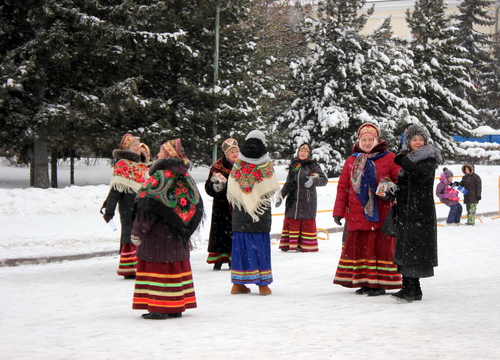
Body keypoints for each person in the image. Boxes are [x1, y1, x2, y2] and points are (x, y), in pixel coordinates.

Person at [131, 139, 204, 320]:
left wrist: (138, 231)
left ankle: (159, 306)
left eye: (161, 152)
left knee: (159, 266)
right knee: (174, 267)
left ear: (168, 155)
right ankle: (175, 305)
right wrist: (185, 228)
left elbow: (148, 206)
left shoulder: (161, 176)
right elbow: (195, 204)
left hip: (158, 234)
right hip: (178, 234)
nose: (157, 155)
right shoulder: (186, 177)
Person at [332, 123, 402, 296]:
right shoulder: (351, 160)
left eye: (371, 139)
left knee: (380, 247)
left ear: (377, 140)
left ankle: (379, 283)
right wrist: (338, 211)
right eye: (364, 139)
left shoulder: (389, 157)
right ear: (359, 140)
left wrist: (390, 188)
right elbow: (343, 188)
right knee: (361, 247)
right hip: (357, 213)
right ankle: (364, 281)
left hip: (382, 211)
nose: (368, 142)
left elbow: (400, 179)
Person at [392, 125, 442, 302]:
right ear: (408, 142)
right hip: (408, 210)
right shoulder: (409, 157)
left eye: (420, 139)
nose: (418, 142)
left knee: (414, 249)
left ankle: (413, 288)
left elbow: (422, 177)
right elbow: (409, 183)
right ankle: (408, 287)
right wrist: (394, 190)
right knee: (407, 249)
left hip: (420, 211)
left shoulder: (428, 157)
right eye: (414, 139)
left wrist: (403, 162)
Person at [227, 130, 280, 296]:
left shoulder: (239, 163)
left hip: (241, 213)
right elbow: (270, 188)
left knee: (240, 247)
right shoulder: (266, 163)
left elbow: (233, 187)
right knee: (259, 247)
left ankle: (238, 284)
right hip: (260, 214)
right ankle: (263, 284)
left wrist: (245, 197)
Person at [101, 133, 149, 279]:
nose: (138, 148)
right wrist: (109, 209)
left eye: (138, 145)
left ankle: (141, 264)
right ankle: (129, 267)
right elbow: (115, 190)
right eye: (134, 145)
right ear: (128, 148)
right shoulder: (122, 165)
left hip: (141, 205)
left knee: (141, 232)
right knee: (129, 232)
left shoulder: (140, 166)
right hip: (128, 205)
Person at [277, 143, 328, 252]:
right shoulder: (294, 165)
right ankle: (290, 245)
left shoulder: (313, 165)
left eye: (305, 151)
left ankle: (305, 245)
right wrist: (281, 196)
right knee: (292, 219)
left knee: (305, 221)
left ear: (309, 153)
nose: (303, 153)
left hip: (307, 200)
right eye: (301, 150)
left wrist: (313, 181)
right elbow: (288, 183)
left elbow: (324, 180)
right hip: (292, 200)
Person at [205, 138, 240, 270]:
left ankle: (234, 258)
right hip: (222, 205)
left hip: (238, 204)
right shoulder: (217, 167)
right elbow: (208, 186)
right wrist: (216, 187)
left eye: (237, 151)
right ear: (226, 154)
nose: (235, 154)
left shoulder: (243, 166)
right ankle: (218, 258)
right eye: (232, 152)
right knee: (221, 233)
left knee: (235, 232)